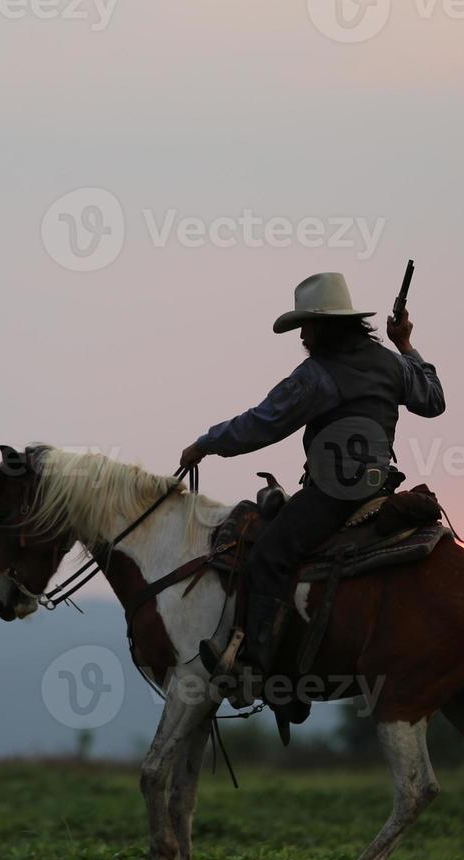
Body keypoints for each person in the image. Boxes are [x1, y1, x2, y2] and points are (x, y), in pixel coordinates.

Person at [179, 271, 446, 704]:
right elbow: (434, 400)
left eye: (306, 325)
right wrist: (406, 343)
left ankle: (254, 670)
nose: (302, 334)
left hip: (332, 496)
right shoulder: (392, 363)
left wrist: (206, 443)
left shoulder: (317, 375)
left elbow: (261, 424)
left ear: (325, 325)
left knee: (269, 555)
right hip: (380, 490)